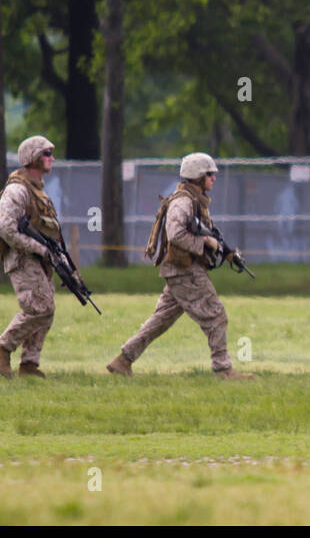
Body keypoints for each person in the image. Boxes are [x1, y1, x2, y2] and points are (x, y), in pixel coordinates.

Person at [106, 152, 254, 379]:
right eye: (209, 174)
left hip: (180, 271)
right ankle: (223, 369)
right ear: (197, 176)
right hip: (185, 271)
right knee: (216, 315)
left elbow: (207, 234)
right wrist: (204, 242)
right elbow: (175, 234)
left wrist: (227, 253)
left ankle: (123, 360)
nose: (214, 178)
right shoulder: (183, 201)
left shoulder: (195, 200)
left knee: (160, 321)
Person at [0, 135, 67, 378]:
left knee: (46, 310)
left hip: (39, 259)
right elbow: (6, 228)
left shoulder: (39, 191)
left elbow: (50, 230)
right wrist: (39, 249)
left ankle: (29, 364)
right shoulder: (17, 190)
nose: (51, 158)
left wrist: (59, 258)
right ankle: (1, 348)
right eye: (46, 154)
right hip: (22, 259)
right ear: (32, 158)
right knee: (40, 309)